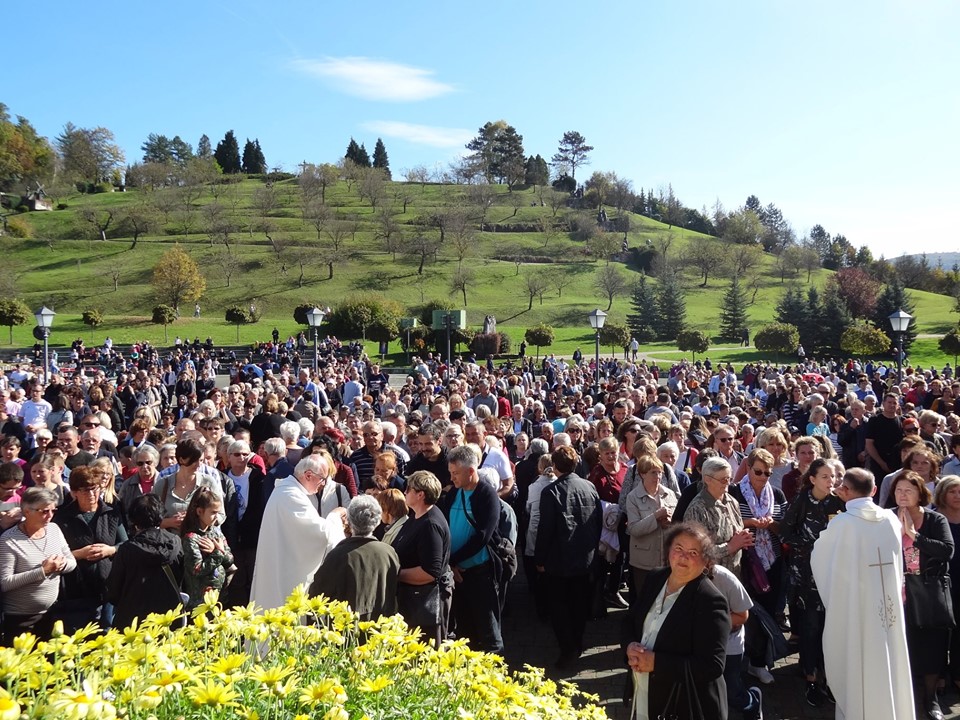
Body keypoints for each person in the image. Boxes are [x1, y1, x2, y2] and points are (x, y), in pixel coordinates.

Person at [810, 468, 914, 720]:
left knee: (857, 661)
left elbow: (820, 559)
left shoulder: (842, 524)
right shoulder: (891, 520)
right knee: (890, 662)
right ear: (875, 490)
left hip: (856, 610)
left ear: (844, 491)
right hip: (887, 612)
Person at [622, 521, 731, 720]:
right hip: (646, 691)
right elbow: (630, 621)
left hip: (684, 705)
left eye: (693, 552)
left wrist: (656, 662)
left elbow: (712, 666)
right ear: (668, 550)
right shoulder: (655, 578)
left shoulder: (711, 601)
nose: (683, 556)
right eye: (678, 548)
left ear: (706, 561)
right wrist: (629, 646)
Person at [778, 457, 845, 707]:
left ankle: (829, 676)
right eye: (825, 476)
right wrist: (812, 545)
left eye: (833, 476)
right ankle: (811, 677)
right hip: (807, 575)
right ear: (813, 479)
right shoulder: (802, 500)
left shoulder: (839, 502)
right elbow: (785, 532)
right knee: (811, 626)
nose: (831, 481)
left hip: (834, 574)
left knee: (831, 627)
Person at [892, 470, 954, 719]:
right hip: (896, 592)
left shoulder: (935, 519)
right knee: (902, 645)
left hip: (927, 592)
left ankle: (931, 699)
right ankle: (902, 698)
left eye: (908, 490)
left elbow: (947, 551)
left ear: (920, 493)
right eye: (898, 490)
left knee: (931, 647)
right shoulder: (887, 518)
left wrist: (913, 535)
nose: (902, 494)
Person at [250, 454, 347, 612]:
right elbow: (321, 534)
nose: (324, 484)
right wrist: (335, 516)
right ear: (308, 475)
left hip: (280, 568)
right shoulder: (290, 496)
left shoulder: (287, 491)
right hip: (284, 575)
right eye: (323, 479)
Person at [535, 445, 602, 669]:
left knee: (559, 606)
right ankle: (577, 641)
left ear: (554, 466)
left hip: (559, 560)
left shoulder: (550, 491)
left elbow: (545, 529)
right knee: (579, 604)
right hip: (584, 557)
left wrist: (539, 559)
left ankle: (568, 648)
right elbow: (597, 521)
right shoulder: (589, 486)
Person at [439, 444, 503, 654]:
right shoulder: (453, 493)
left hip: (480, 572)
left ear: (471, 471)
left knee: (488, 627)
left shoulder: (486, 495)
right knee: (465, 628)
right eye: (450, 473)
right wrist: (451, 563)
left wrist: (455, 560)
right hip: (457, 573)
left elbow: (483, 536)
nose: (452, 478)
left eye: (455, 473)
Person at [53, 466, 127, 631]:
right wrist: (78, 554)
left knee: (109, 631)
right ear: (74, 492)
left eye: (95, 489)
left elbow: (125, 544)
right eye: (85, 490)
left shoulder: (111, 513)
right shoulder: (62, 518)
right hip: (77, 590)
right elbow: (54, 554)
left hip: (108, 587)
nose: (92, 494)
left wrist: (110, 550)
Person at [0, 487, 76, 643]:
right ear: (27, 511)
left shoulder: (54, 529)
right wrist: (43, 571)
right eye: (44, 511)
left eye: (53, 510)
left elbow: (72, 562)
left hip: (52, 614)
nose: (50, 516)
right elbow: (5, 582)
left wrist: (61, 564)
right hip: (20, 618)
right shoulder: (9, 540)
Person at [309, 494, 399, 621]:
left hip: (345, 628)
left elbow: (317, 593)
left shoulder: (337, 555)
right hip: (381, 626)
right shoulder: (389, 553)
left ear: (349, 521)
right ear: (377, 521)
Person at [105, 494, 183, 630]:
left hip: (132, 620)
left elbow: (114, 590)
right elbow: (180, 577)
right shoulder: (175, 542)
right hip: (169, 618)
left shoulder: (127, 550)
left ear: (134, 519)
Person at [391, 471, 451, 645]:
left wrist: (394, 574)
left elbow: (430, 572)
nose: (404, 492)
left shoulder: (430, 525)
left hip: (424, 605)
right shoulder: (417, 515)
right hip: (412, 599)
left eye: (408, 489)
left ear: (420, 494)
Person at [683, 456, 753, 577]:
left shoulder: (732, 501)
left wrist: (742, 537)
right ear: (707, 479)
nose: (728, 483)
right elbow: (694, 551)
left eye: (729, 479)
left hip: (734, 574)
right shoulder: (696, 509)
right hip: (710, 577)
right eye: (723, 480)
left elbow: (737, 529)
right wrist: (729, 547)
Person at [624, 455, 678, 596]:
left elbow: (679, 525)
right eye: (653, 472)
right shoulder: (633, 497)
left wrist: (670, 523)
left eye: (660, 472)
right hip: (644, 562)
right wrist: (656, 516)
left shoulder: (670, 494)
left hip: (667, 560)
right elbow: (634, 529)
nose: (658, 476)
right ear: (642, 474)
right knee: (645, 600)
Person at [180, 487, 234, 610]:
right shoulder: (191, 538)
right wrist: (217, 552)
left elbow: (230, 559)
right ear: (199, 511)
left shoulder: (216, 533)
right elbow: (197, 570)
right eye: (213, 513)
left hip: (220, 598)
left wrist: (217, 551)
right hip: (199, 602)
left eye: (218, 513)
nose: (216, 517)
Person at [933, 475, 960, 693]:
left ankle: (958, 672)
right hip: (940, 580)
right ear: (942, 493)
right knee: (940, 629)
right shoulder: (934, 518)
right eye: (952, 491)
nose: (957, 496)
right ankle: (939, 673)